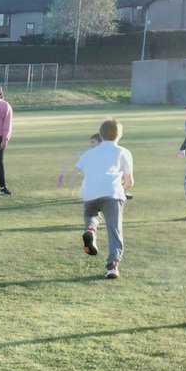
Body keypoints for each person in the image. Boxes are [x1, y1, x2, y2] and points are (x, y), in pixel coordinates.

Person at [75, 118, 134, 280]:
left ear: (100, 134)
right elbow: (129, 181)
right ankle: (112, 266)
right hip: (112, 194)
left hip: (90, 193)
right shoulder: (123, 152)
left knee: (91, 215)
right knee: (114, 230)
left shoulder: (89, 153)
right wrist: (124, 187)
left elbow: (79, 170)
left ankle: (90, 230)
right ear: (119, 135)